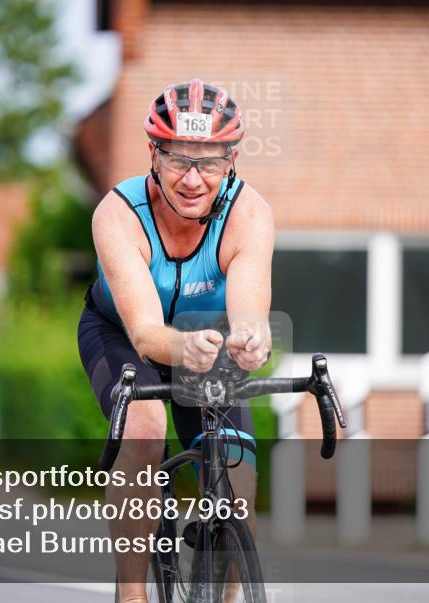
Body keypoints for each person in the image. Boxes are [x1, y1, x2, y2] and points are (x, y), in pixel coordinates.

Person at [78, 78, 274, 602]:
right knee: (145, 428)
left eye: (208, 162)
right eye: (177, 159)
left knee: (238, 484)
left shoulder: (249, 214)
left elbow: (249, 313)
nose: (192, 179)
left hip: (207, 342)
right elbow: (145, 333)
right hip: (121, 334)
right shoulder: (118, 214)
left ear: (231, 161)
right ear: (153, 154)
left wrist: (251, 339)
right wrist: (181, 349)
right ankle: (132, 593)